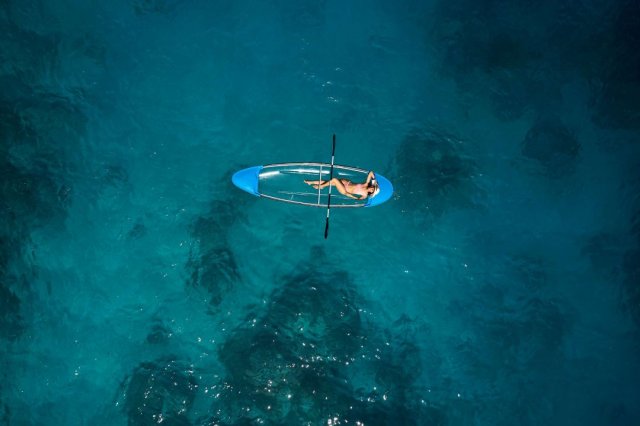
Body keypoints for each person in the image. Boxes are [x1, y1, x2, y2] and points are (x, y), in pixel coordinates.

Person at [304, 171, 379, 200]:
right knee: (327, 182)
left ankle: (321, 187)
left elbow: (358, 199)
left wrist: (351, 196)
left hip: (344, 190)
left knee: (334, 180)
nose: (372, 189)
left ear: (371, 193)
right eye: (373, 187)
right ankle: (311, 182)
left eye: (373, 190)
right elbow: (371, 173)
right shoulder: (366, 184)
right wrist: (374, 180)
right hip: (346, 183)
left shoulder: (365, 195)